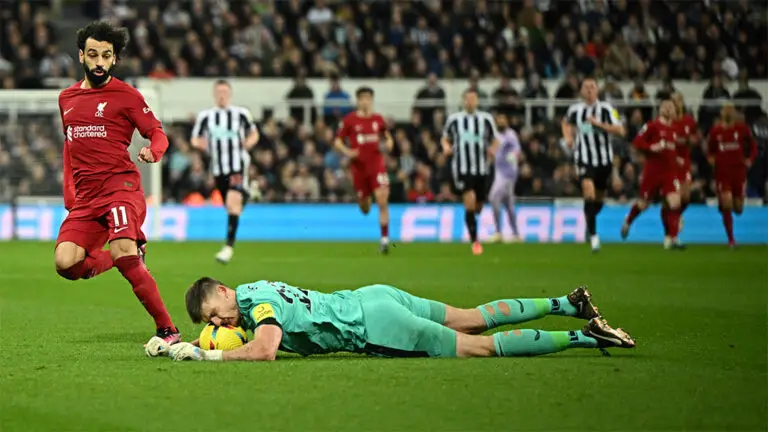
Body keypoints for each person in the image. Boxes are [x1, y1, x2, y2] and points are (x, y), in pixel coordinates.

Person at [54, 21, 180, 345]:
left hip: (119, 188)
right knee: (65, 263)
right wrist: (71, 195)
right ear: (81, 55)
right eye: (93, 54)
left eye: (106, 56)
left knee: (123, 252)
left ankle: (167, 329)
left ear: (114, 59)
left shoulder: (126, 95)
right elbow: (69, 148)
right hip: (86, 198)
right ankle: (128, 251)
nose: (99, 62)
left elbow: (157, 132)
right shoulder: (66, 99)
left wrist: (155, 150)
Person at [145, 278, 635, 361]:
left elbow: (265, 350)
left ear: (226, 296)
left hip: (375, 327)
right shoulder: (256, 292)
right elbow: (237, 337)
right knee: (473, 317)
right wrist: (186, 343)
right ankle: (567, 301)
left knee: (479, 347)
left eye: (217, 315)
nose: (223, 324)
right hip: (372, 295)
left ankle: (584, 335)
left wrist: (205, 357)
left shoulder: (254, 307)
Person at [190, 80, 260, 264]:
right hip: (218, 168)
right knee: (230, 206)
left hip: (237, 165)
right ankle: (247, 191)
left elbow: (254, 133)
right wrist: (201, 144)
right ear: (214, 94)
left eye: (225, 91)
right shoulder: (206, 116)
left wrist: (249, 143)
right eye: (219, 91)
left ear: (229, 94)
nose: (222, 95)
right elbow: (195, 139)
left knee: (232, 202)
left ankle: (228, 247)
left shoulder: (241, 113)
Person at [561, 78, 626, 253]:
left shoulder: (607, 109)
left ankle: (589, 224)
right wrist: (568, 137)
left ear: (597, 90)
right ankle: (594, 237)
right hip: (584, 159)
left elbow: (621, 130)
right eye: (586, 87)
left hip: (604, 162)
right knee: (588, 192)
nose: (589, 90)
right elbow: (565, 121)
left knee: (598, 200)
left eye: (592, 87)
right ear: (581, 91)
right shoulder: (575, 110)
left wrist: (600, 125)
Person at [334, 87, 394, 254]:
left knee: (382, 200)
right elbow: (337, 141)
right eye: (362, 98)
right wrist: (348, 152)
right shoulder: (350, 120)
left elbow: (387, 136)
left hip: (377, 165)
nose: (365, 101)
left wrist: (389, 143)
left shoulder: (378, 119)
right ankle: (365, 197)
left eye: (368, 98)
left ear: (371, 100)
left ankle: (384, 240)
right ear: (358, 101)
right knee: (365, 208)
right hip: (359, 168)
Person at [621, 99, 685, 249]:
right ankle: (628, 220)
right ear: (660, 109)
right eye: (666, 106)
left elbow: (672, 150)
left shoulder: (675, 129)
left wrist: (677, 159)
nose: (669, 109)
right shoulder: (652, 126)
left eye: (671, 106)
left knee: (675, 203)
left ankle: (673, 239)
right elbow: (637, 142)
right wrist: (652, 147)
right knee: (643, 204)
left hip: (670, 173)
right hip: (653, 172)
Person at [442, 89, 499, 255]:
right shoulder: (454, 119)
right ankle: (475, 241)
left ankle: (473, 221)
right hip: (462, 168)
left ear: (477, 101)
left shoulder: (486, 119)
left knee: (478, 205)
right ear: (463, 101)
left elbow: (495, 139)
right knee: (469, 199)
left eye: (473, 99)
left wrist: (492, 150)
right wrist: (446, 147)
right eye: (467, 99)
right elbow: (445, 137)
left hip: (482, 168)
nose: (470, 102)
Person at [707, 103, 758, 248]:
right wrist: (711, 159)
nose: (728, 113)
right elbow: (709, 150)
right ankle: (731, 240)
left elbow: (753, 146)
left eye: (731, 110)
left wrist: (750, 160)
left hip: (739, 172)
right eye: (726, 110)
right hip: (722, 173)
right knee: (727, 202)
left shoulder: (742, 129)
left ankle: (723, 206)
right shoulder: (716, 131)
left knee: (739, 209)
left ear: (734, 113)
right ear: (722, 113)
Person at [666, 92, 700, 248]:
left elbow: (696, 138)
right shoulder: (666, 122)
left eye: (678, 100)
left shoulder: (689, 121)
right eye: (672, 101)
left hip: (684, 164)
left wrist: (691, 140)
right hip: (670, 165)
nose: (675, 103)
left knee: (686, 198)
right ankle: (673, 236)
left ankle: (675, 218)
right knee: (676, 199)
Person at [489, 112, 521, 243]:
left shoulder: (510, 134)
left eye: (503, 119)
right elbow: (493, 150)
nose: (500, 121)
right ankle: (516, 233)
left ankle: (498, 232)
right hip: (499, 172)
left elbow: (517, 149)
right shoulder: (496, 136)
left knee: (493, 197)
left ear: (507, 121)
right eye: (499, 119)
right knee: (508, 204)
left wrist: (513, 155)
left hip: (508, 173)